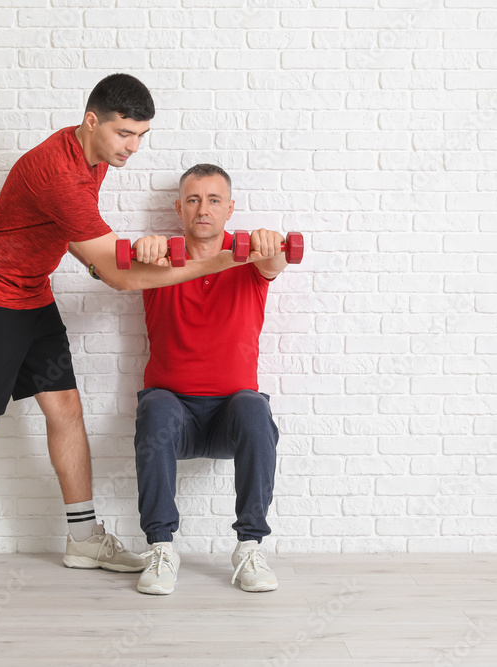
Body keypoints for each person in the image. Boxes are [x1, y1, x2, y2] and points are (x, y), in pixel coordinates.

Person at [0, 75, 241, 594]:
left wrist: (106, 258)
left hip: (30, 293)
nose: (132, 147)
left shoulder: (91, 158)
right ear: (92, 121)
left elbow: (73, 238)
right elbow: (119, 276)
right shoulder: (59, 173)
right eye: (124, 134)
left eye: (141, 136)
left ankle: (83, 536)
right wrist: (217, 262)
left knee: (65, 408)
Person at [130, 164, 292, 595]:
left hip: (230, 417)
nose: (204, 208)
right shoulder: (159, 260)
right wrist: (144, 247)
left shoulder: (251, 260)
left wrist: (268, 244)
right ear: (179, 208)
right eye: (194, 199)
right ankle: (161, 548)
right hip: (174, 415)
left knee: (256, 407)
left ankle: (250, 546)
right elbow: (109, 268)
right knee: (156, 405)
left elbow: (275, 261)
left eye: (214, 199)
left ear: (229, 208)